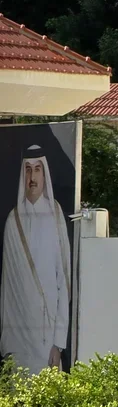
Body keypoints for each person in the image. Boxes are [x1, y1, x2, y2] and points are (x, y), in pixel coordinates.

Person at [1, 145, 71, 373]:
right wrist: (8, 346)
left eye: (37, 169)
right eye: (28, 170)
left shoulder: (55, 216)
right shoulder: (14, 221)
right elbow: (7, 290)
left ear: (45, 173)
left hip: (47, 337)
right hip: (18, 339)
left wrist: (58, 344)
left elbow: (64, 282)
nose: (33, 177)